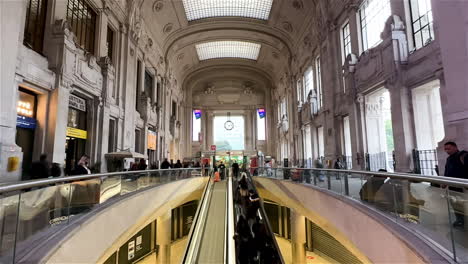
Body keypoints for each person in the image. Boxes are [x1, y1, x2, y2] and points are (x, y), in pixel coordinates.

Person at [443, 142, 468, 228]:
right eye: (445, 149)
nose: (447, 151)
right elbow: (447, 172)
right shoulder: (448, 159)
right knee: (455, 204)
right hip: (453, 187)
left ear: (455, 147)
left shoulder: (463, 155)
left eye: (448, 148)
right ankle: (460, 220)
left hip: (463, 187)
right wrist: (444, 182)